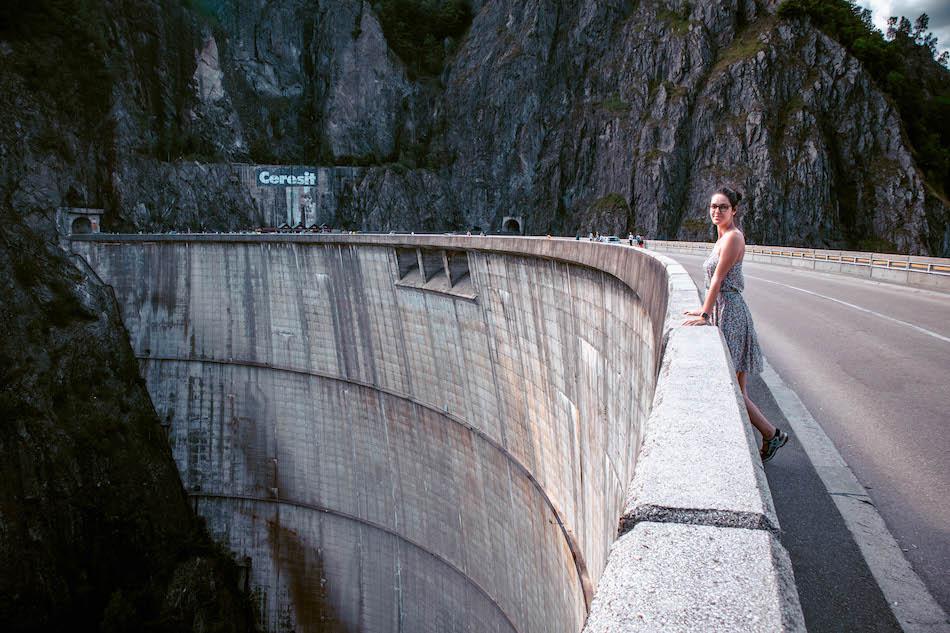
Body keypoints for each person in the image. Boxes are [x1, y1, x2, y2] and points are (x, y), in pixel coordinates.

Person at [683, 186, 789, 462]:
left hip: (730, 313)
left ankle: (768, 435)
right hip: (724, 309)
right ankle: (770, 435)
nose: (716, 212)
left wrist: (705, 315)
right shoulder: (720, 237)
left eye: (722, 207)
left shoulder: (732, 238)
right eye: (713, 207)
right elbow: (712, 283)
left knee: (732, 386)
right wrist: (703, 308)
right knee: (738, 390)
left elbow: (718, 280)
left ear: (734, 210)